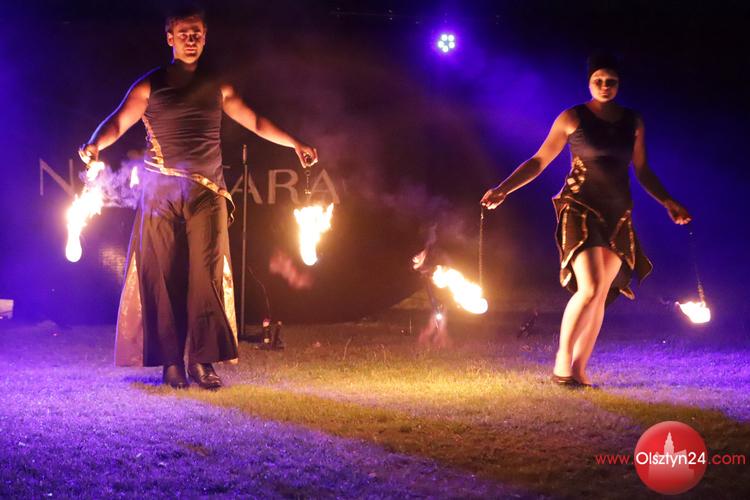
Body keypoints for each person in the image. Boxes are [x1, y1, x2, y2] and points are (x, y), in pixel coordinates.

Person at [80, 7, 318, 389]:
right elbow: (118, 121)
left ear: (204, 38)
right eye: (183, 33)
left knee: (206, 278)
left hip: (207, 194)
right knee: (163, 278)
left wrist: (295, 143)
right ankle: (171, 363)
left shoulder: (219, 85)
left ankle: (202, 361)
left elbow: (256, 121)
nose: (191, 39)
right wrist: (95, 144)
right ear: (170, 38)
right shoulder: (150, 85)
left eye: (197, 33)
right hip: (160, 194)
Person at [481, 53, 691, 387]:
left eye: (611, 81)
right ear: (589, 83)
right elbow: (539, 160)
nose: (605, 86)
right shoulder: (573, 117)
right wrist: (504, 188)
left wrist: (668, 201)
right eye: (598, 81)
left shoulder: (633, 121)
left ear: (619, 84)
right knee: (590, 286)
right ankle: (562, 363)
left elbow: (642, 170)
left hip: (618, 212)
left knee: (601, 292)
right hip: (580, 208)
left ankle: (579, 370)